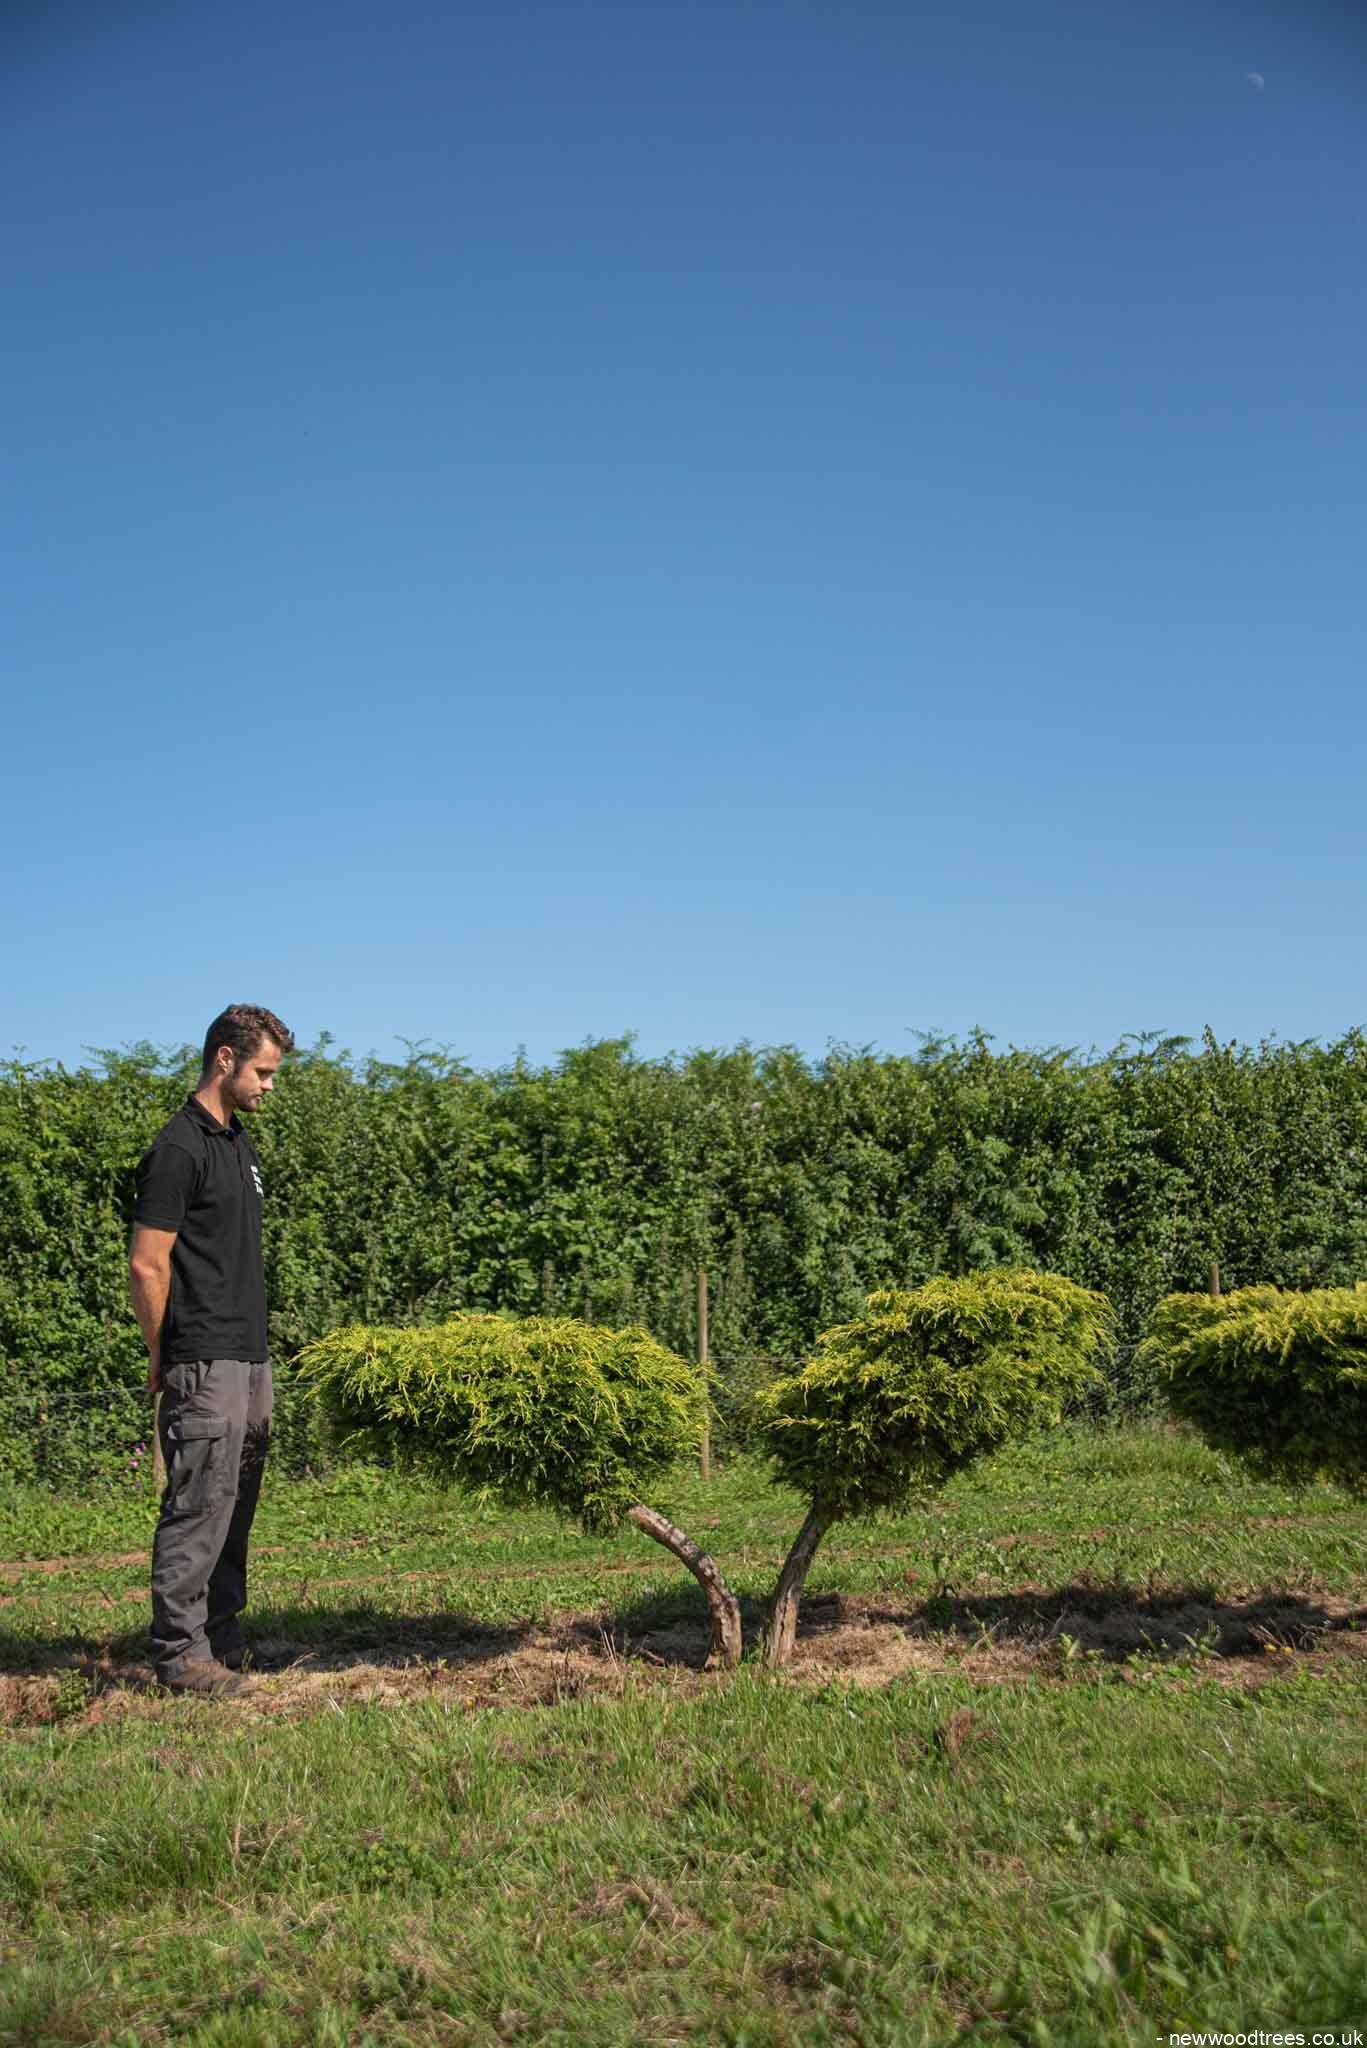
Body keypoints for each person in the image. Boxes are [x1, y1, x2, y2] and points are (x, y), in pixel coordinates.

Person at [129, 1004, 293, 1697]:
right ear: (224, 1059)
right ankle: (179, 1655)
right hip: (204, 1358)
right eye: (262, 1071)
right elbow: (146, 1263)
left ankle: (222, 1638)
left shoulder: (236, 1144)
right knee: (199, 1503)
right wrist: (163, 1351)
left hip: (248, 1357)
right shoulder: (179, 1148)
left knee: (235, 1502)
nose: (269, 1086)